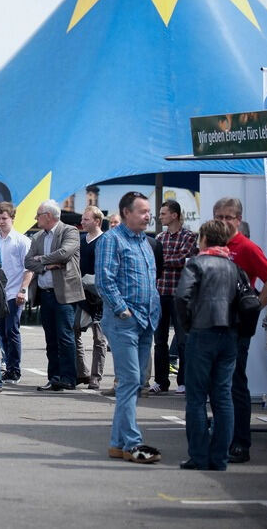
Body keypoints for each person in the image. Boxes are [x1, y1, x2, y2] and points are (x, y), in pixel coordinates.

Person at [213, 197, 267, 464]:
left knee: (235, 384)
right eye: (219, 216)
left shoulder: (246, 247)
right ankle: (223, 437)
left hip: (236, 329)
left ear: (239, 220)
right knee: (218, 385)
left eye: (229, 217)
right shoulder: (214, 244)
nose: (224, 221)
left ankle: (241, 442)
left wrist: (253, 309)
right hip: (214, 325)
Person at [95, 191, 162, 464]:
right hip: (125, 322)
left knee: (133, 385)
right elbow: (104, 281)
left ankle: (118, 443)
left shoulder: (146, 242)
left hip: (146, 321)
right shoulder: (111, 240)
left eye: (149, 212)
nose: (148, 216)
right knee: (131, 381)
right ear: (126, 212)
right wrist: (123, 309)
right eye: (143, 211)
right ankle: (133, 443)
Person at [174, 219, 240, 470]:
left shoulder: (197, 264)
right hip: (229, 335)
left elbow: (181, 296)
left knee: (196, 398)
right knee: (223, 397)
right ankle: (220, 458)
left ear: (204, 239)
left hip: (202, 333)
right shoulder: (234, 266)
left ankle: (199, 456)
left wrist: (188, 324)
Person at [25, 199, 84, 391]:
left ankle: (68, 378)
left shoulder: (69, 231)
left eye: (38, 215)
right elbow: (27, 262)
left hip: (64, 294)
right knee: (50, 338)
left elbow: (65, 253)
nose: (36, 219)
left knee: (65, 337)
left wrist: (41, 260)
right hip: (46, 294)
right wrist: (47, 265)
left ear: (48, 216)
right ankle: (54, 377)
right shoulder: (38, 237)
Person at [154, 199, 198, 394]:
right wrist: (164, 261)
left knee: (183, 340)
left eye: (164, 213)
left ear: (174, 215)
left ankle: (184, 380)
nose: (160, 216)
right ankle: (161, 381)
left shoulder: (189, 236)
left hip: (180, 295)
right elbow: (156, 261)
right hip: (161, 293)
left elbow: (184, 259)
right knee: (160, 341)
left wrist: (162, 261)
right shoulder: (160, 237)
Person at [0, 202, 32, 383]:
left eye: (4, 218)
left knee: (12, 331)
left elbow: (29, 269)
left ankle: (14, 369)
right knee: (1, 333)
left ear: (12, 219)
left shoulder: (21, 241)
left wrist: (22, 290)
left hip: (14, 293)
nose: (1, 222)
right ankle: (8, 366)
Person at [76, 205, 107, 390]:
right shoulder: (81, 240)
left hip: (100, 295)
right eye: (82, 219)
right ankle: (82, 371)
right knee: (74, 330)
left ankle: (95, 376)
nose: (82, 222)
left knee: (99, 338)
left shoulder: (105, 240)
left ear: (97, 221)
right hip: (81, 293)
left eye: (86, 219)